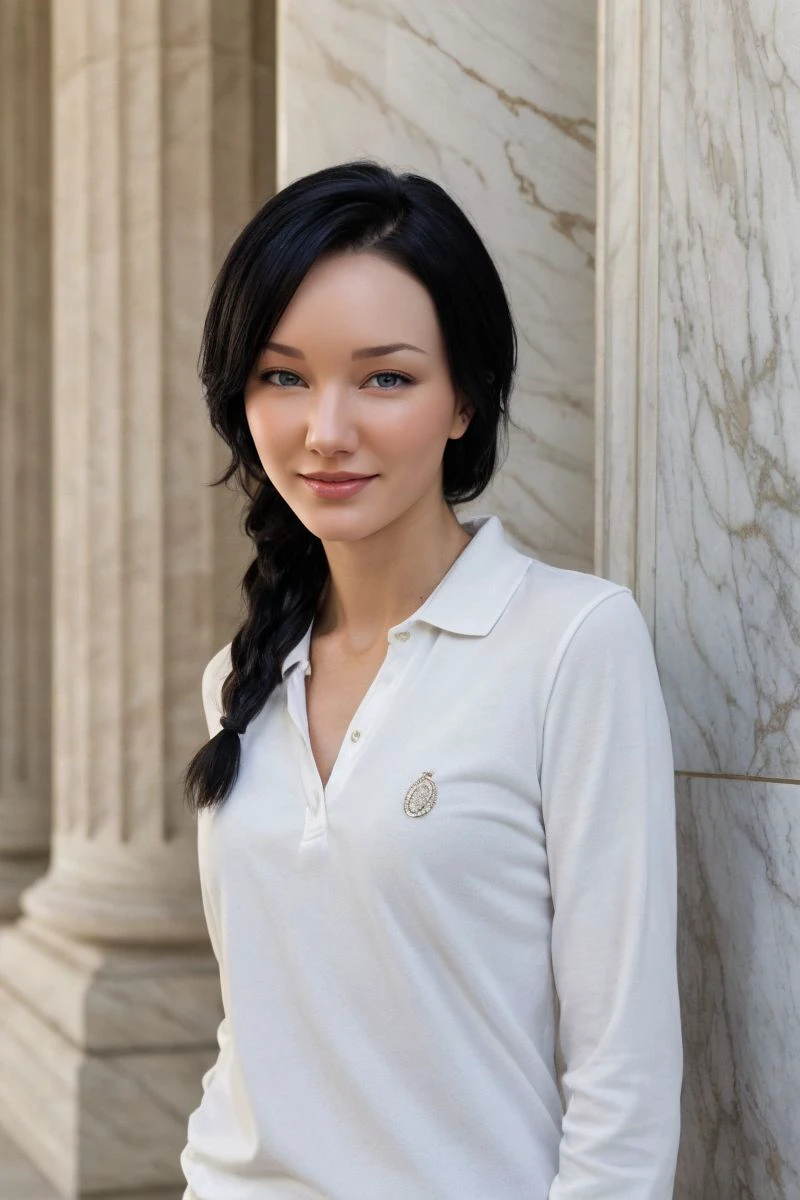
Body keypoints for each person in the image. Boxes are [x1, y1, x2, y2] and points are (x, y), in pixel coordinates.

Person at [179, 159, 683, 1200]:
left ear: (465, 400)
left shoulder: (570, 643)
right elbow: (257, 1023)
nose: (326, 429)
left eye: (385, 377)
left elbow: (620, 1078)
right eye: (283, 375)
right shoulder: (241, 675)